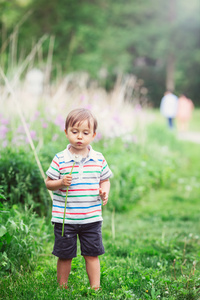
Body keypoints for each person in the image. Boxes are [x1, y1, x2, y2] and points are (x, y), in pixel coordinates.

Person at [45, 108, 112, 290]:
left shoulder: (98, 159)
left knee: (92, 254)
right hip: (65, 218)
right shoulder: (60, 158)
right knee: (65, 255)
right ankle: (62, 287)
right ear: (66, 132)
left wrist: (104, 191)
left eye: (85, 133)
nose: (79, 137)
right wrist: (60, 182)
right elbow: (48, 183)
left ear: (93, 135)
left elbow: (105, 179)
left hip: (91, 217)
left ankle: (95, 287)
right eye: (74, 132)